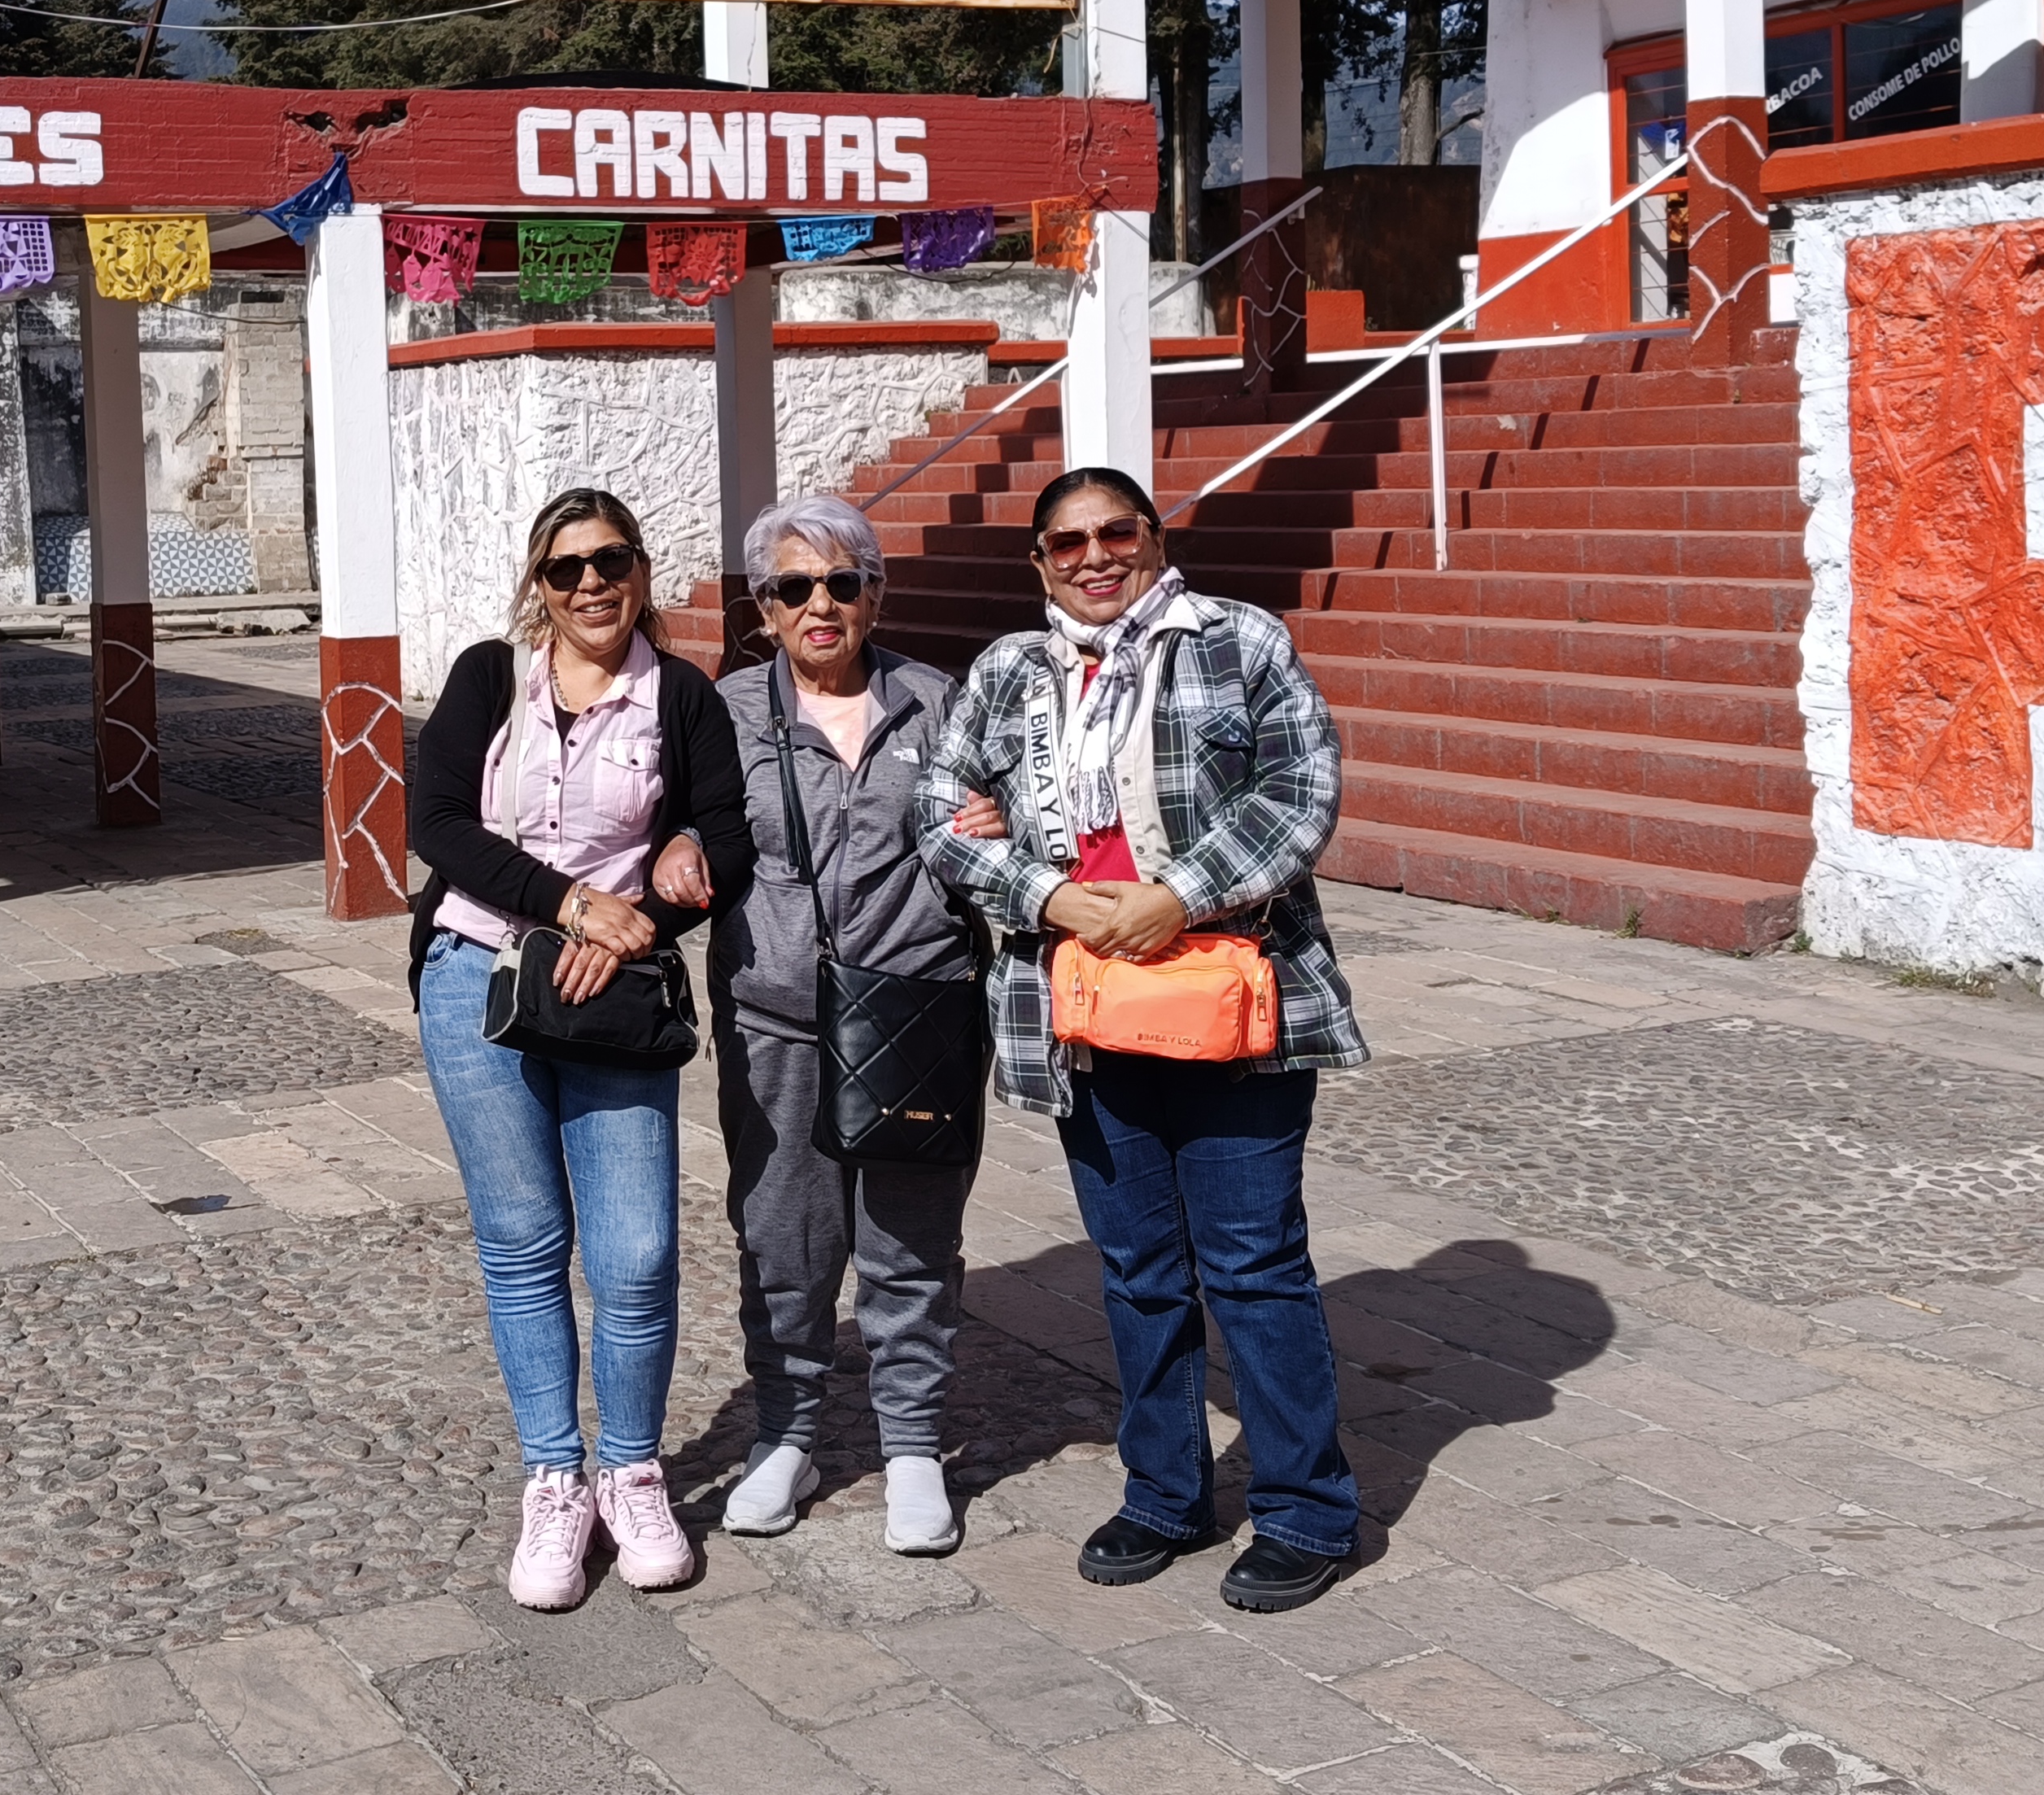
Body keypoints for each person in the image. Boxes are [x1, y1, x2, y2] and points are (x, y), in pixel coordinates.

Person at [916, 465, 1370, 1610]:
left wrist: (1177, 893)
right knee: (1138, 1268)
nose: (1095, 556)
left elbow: (1298, 794)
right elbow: (939, 809)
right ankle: (1165, 1492)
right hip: (1085, 1010)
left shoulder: (1238, 644)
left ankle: (1306, 1509)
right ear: (1039, 563)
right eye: (1067, 542)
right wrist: (1044, 890)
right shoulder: (1011, 673)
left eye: (1117, 532)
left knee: (1254, 1265)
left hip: (1229, 1000)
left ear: (1155, 538)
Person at [407, 486, 753, 1613]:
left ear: (641, 572)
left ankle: (634, 1472)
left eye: (610, 562)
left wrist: (649, 915)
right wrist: (572, 907)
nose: (592, 585)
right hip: (479, 981)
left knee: (639, 1253)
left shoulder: (682, 698)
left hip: (616, 997)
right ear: (539, 586)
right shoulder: (486, 679)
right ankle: (555, 1478)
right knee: (520, 1242)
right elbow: (439, 825)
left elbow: (724, 839)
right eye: (567, 570)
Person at [653, 493, 985, 1557]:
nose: (822, 605)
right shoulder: (726, 712)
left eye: (844, 583)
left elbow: (1008, 836)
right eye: (794, 588)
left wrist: (1004, 823)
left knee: (909, 1238)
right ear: (763, 608)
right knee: (784, 1236)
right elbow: (668, 822)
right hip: (775, 1018)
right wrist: (671, 853)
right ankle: (787, 1432)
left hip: (917, 1009)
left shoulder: (938, 704)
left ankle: (915, 1444)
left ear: (875, 592)